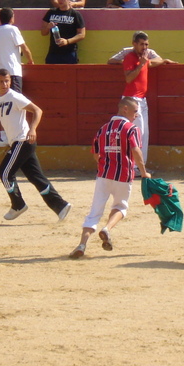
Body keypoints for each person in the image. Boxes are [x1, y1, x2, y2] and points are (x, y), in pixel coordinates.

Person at [0, 68, 72, 221]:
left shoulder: (15, 96)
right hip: (19, 142)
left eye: (7, 81)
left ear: (10, 81)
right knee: (36, 177)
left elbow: (37, 110)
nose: (5, 84)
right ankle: (60, 206)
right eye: (1, 81)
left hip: (23, 140)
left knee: (4, 173)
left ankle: (18, 204)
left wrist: (33, 129)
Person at [69, 97, 150, 259]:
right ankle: (107, 229)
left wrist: (105, 163)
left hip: (103, 175)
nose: (137, 116)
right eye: (135, 112)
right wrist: (144, 171)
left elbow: (96, 154)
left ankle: (82, 244)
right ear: (125, 109)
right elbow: (136, 150)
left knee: (94, 213)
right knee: (121, 207)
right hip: (123, 175)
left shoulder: (103, 129)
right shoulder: (131, 128)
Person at [119, 31, 175, 161]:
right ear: (134, 44)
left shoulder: (143, 58)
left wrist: (164, 61)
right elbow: (128, 78)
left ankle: (140, 166)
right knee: (136, 134)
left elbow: (151, 63)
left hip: (141, 100)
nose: (144, 47)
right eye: (141, 44)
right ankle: (133, 166)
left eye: (146, 45)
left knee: (143, 135)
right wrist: (142, 64)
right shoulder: (130, 57)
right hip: (132, 100)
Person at [0, 6, 32, 96]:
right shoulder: (13, 29)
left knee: (1, 103)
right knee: (15, 101)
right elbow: (24, 47)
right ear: (11, 17)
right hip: (13, 72)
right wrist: (30, 60)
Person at [42, 0, 85, 64]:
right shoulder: (51, 12)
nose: (60, 0)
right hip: (53, 52)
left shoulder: (75, 14)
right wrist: (48, 27)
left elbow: (82, 34)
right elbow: (43, 33)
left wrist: (67, 41)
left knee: (70, 75)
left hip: (69, 52)